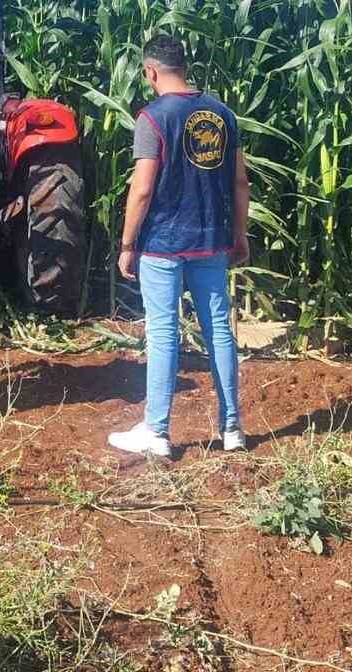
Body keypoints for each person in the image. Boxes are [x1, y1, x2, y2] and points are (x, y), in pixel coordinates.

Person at [108, 35, 251, 459]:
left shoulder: (152, 119)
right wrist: (239, 233)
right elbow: (240, 181)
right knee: (220, 331)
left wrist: (127, 243)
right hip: (211, 241)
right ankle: (232, 428)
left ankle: (157, 431)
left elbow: (142, 189)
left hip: (163, 244)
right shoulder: (222, 114)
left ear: (151, 72)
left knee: (164, 333)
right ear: (183, 66)